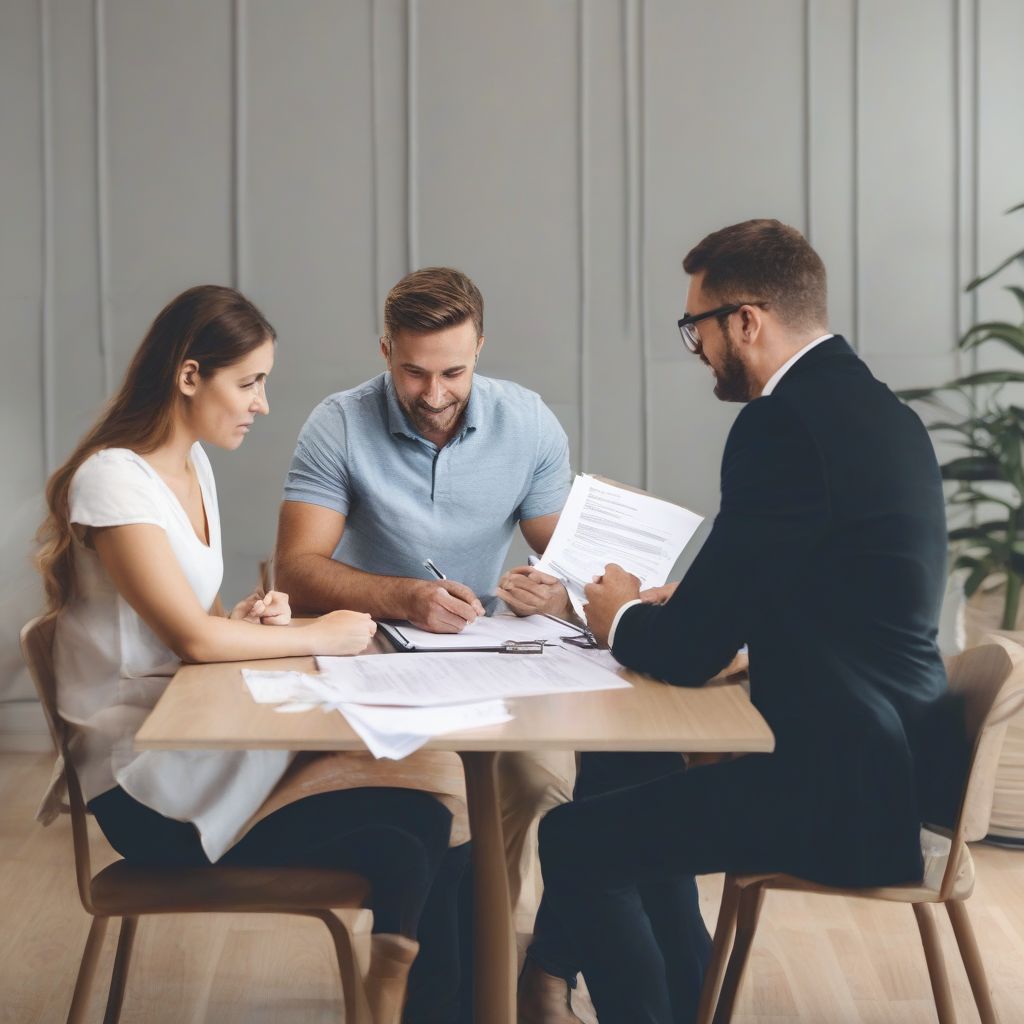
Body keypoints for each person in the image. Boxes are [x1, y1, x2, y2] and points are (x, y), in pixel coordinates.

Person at [534, 219, 970, 1024]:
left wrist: (615, 612)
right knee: (635, 780)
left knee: (571, 840)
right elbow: (797, 590)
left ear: (745, 320)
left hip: (841, 791)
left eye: (694, 324)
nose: (695, 346)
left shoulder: (781, 424)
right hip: (894, 762)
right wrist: (686, 614)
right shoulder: (877, 411)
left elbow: (691, 652)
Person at [36, 285, 471, 1023]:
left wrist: (253, 619)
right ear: (188, 377)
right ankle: (405, 991)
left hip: (193, 749)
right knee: (407, 844)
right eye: (249, 383)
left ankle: (415, 987)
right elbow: (192, 641)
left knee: (431, 813)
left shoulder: (192, 468)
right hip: (145, 790)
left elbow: (196, 622)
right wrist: (316, 631)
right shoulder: (113, 479)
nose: (262, 404)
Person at [273, 267, 578, 952]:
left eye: (454, 373)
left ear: (480, 349)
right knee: (438, 799)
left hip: (492, 654)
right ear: (386, 352)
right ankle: (447, 961)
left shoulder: (527, 421)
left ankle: (480, 956)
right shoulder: (339, 423)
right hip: (376, 656)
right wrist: (403, 597)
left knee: (538, 781)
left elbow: (567, 562)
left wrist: (554, 590)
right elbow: (296, 571)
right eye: (414, 373)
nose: (434, 395)